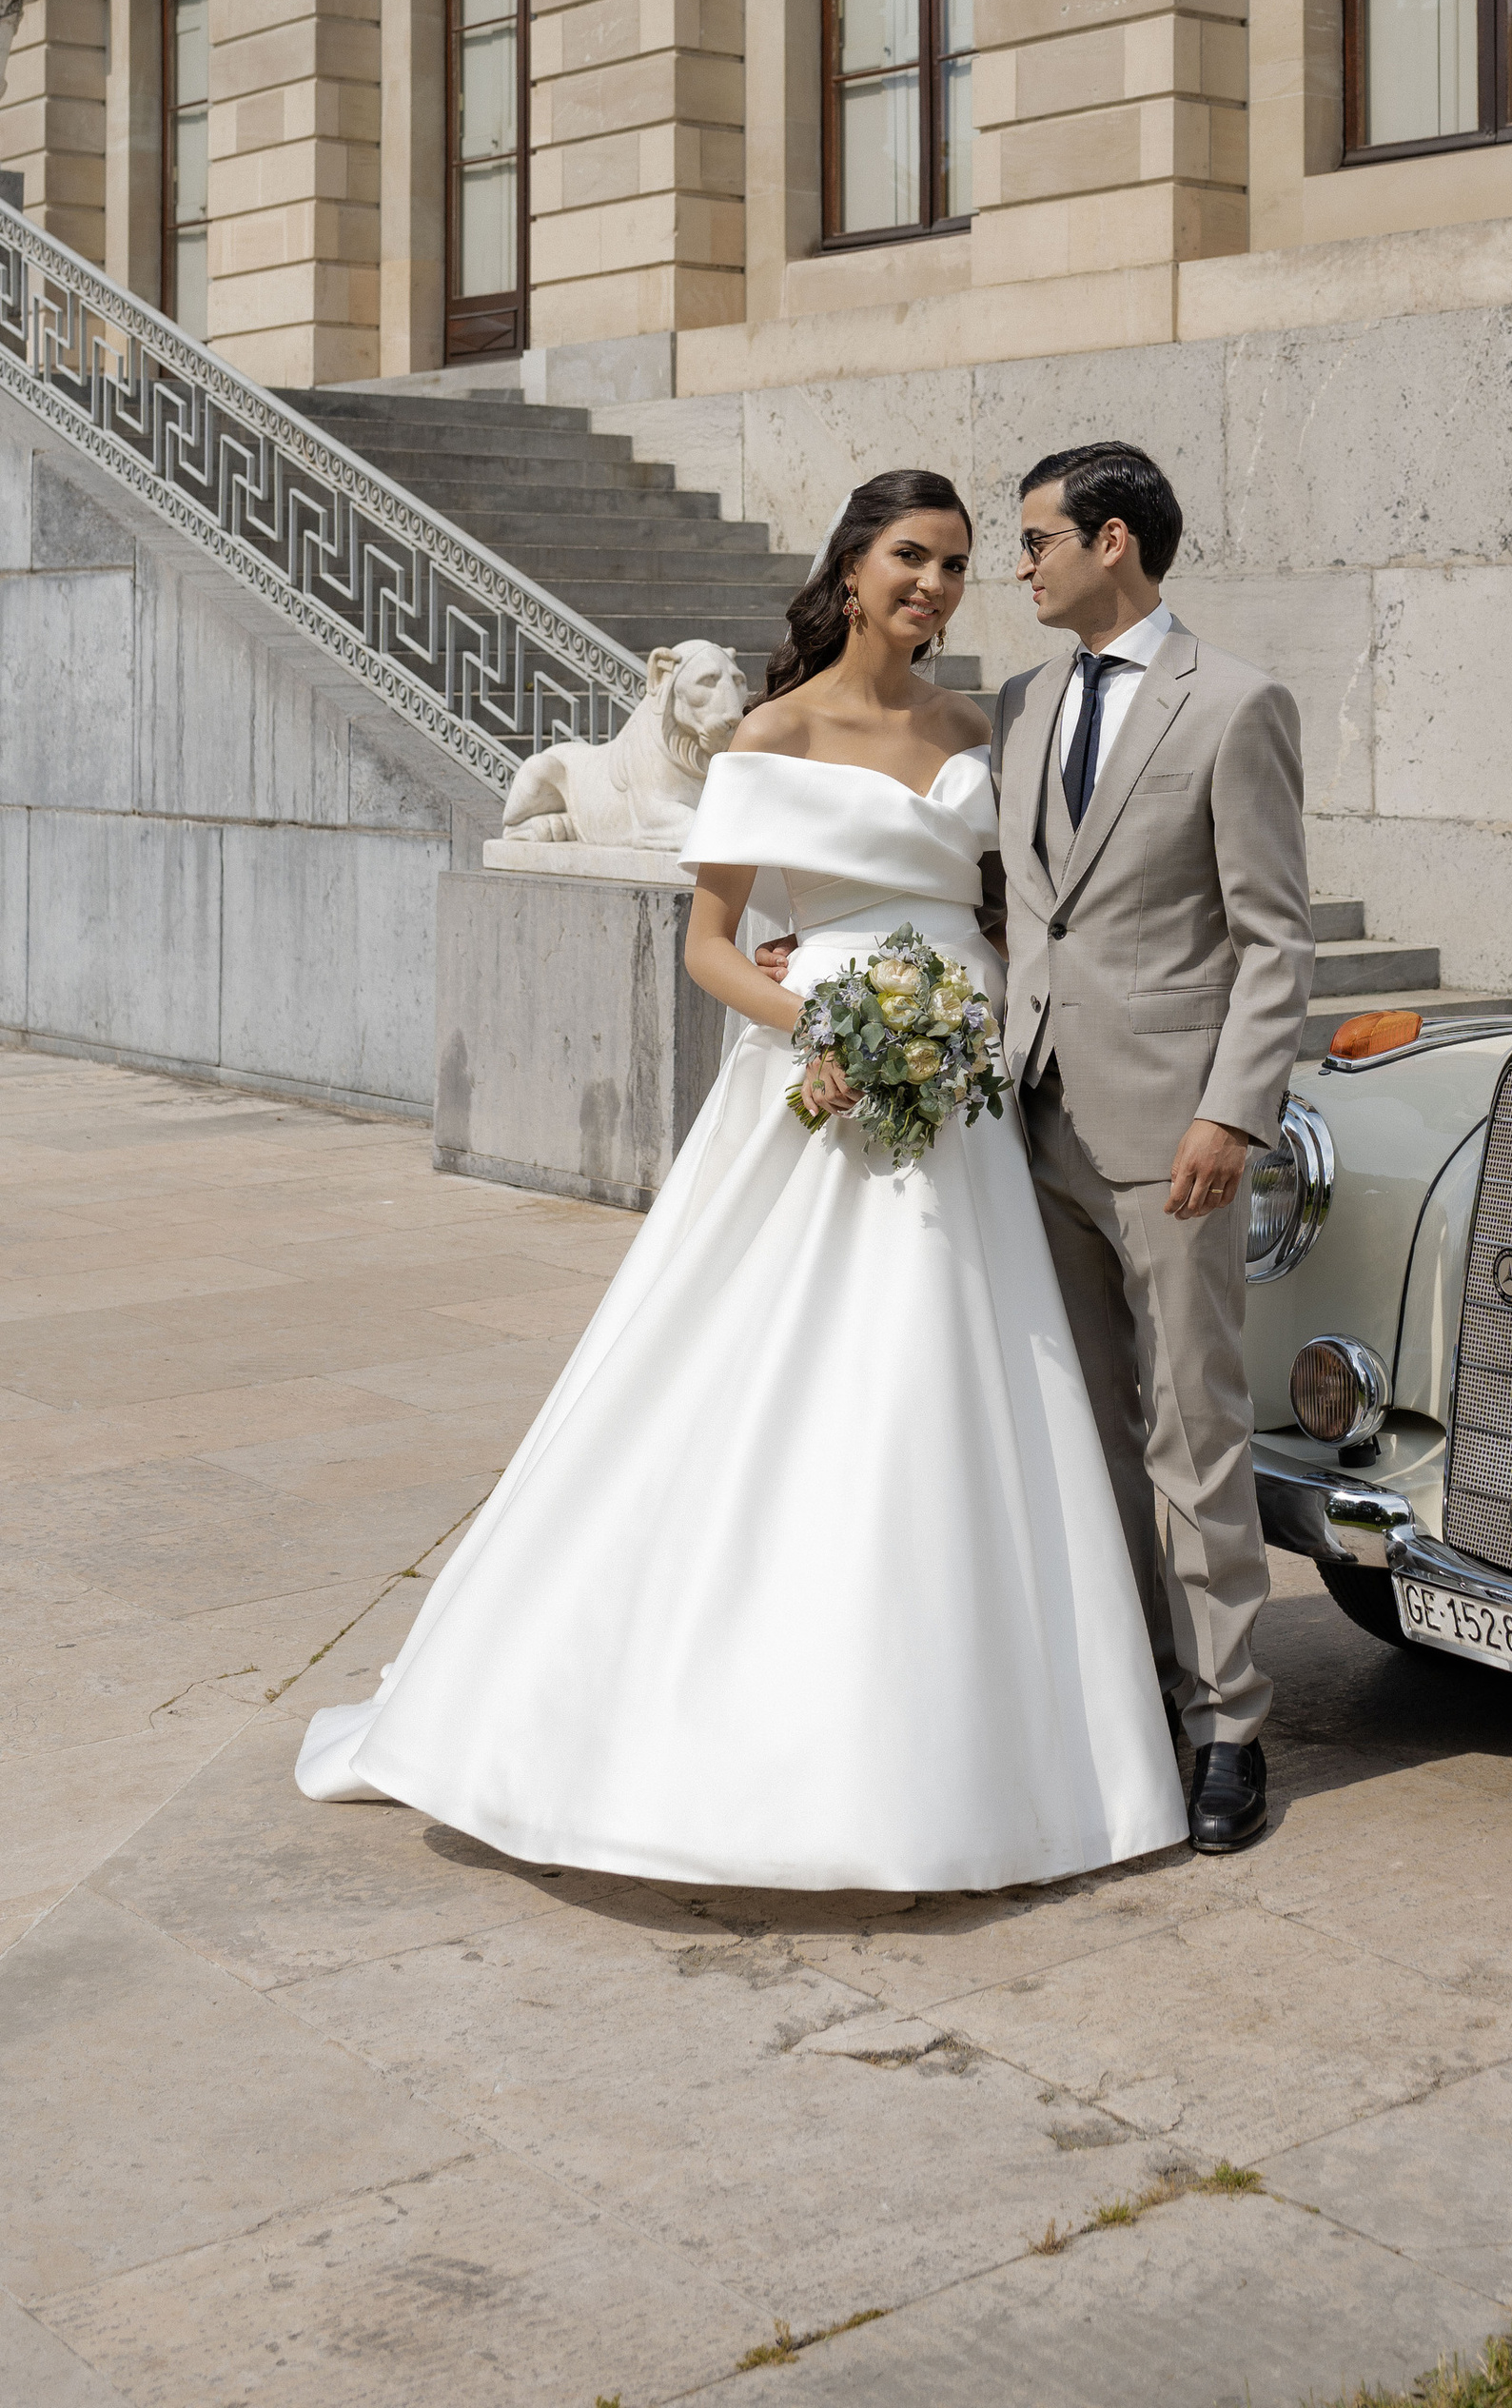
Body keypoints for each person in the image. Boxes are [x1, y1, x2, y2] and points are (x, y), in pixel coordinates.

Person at [294, 471, 1187, 1892]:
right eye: (912, 557)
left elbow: (1036, 900)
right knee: (758, 1371)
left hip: (958, 1090)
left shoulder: (982, 730)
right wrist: (821, 1028)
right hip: (817, 1077)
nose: (938, 587)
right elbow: (714, 945)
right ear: (851, 568)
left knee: (961, 1378)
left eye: (960, 564)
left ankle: (1000, 1746)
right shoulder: (768, 733)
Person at [996, 444, 1314, 1855]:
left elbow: (1273, 934)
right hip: (1032, 1117)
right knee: (1087, 1431)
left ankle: (1227, 1723)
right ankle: (1131, 1687)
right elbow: (1008, 900)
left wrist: (1232, 1110)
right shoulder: (1018, 704)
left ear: (1110, 542)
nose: (1019, 565)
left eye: (1035, 540)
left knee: (1195, 1431)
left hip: (1171, 1132)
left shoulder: (1235, 706)